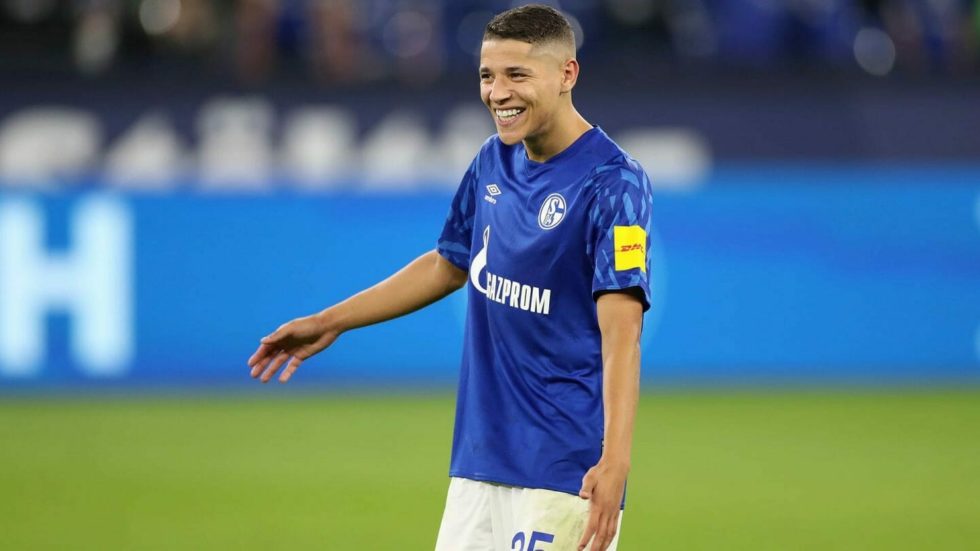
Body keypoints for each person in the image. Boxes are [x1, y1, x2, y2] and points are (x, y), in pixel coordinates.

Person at [247, 5, 653, 550]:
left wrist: (615, 461)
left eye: (517, 74)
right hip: (478, 466)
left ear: (567, 74)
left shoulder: (614, 182)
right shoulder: (493, 160)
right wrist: (331, 321)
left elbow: (622, 332)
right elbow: (449, 262)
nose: (497, 93)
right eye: (487, 75)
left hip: (564, 472)